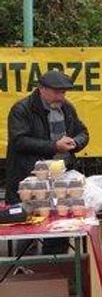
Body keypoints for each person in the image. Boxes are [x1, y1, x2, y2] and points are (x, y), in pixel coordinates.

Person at [5, 69, 89, 205]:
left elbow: (83, 132)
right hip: (31, 182)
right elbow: (19, 141)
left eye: (63, 92)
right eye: (56, 92)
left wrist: (75, 142)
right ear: (41, 89)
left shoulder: (67, 107)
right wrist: (54, 146)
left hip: (62, 179)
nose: (61, 97)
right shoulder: (21, 109)